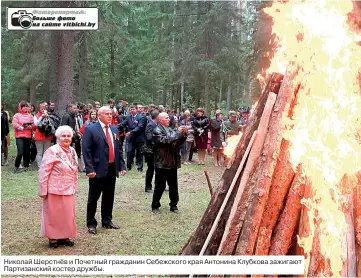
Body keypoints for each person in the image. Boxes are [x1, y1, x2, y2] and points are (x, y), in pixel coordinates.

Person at [82, 106, 127, 234]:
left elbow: (118, 150)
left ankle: (107, 220)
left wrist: (122, 166)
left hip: (111, 168)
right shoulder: (91, 129)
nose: (109, 116)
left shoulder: (114, 129)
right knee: (94, 197)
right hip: (97, 169)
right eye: (106, 114)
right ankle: (91, 223)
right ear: (99, 115)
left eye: (110, 114)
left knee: (109, 196)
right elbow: (86, 151)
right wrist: (89, 169)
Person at [39, 126, 78, 248]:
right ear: (58, 137)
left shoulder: (72, 150)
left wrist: (74, 185)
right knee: (53, 214)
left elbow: (75, 169)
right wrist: (43, 189)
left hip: (69, 188)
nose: (66, 138)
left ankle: (65, 236)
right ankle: (53, 238)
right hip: (54, 189)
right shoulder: (52, 151)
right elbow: (44, 171)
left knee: (67, 214)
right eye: (63, 136)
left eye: (68, 136)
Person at [151, 112, 187, 214]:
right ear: (160, 120)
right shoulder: (156, 130)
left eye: (168, 118)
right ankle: (155, 205)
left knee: (173, 185)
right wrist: (177, 133)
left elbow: (176, 143)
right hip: (162, 162)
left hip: (172, 161)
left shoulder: (170, 129)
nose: (168, 120)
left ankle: (174, 205)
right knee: (160, 185)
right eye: (166, 118)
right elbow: (166, 141)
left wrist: (183, 135)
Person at [117, 105, 146, 172]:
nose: (132, 110)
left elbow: (140, 127)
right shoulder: (128, 117)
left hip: (139, 138)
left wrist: (131, 132)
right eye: (131, 109)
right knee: (129, 151)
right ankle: (128, 167)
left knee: (139, 153)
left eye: (133, 109)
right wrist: (114, 127)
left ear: (136, 110)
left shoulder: (141, 117)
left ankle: (139, 168)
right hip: (131, 138)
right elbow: (122, 124)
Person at [12, 101, 35, 174]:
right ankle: (16, 167)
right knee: (20, 152)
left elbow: (34, 125)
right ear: (20, 107)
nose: (25, 108)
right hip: (19, 136)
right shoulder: (17, 115)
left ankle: (26, 166)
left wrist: (30, 127)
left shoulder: (30, 116)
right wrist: (21, 127)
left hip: (28, 136)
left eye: (26, 106)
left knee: (27, 152)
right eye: (23, 106)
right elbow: (14, 124)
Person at [34, 103, 54, 168]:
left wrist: (48, 118)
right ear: (39, 109)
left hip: (47, 135)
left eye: (45, 108)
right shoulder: (36, 115)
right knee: (39, 151)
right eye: (42, 108)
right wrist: (41, 117)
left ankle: (46, 164)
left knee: (46, 151)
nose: (43, 109)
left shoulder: (49, 115)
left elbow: (52, 124)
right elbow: (36, 124)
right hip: (39, 135)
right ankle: (40, 165)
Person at [144, 109, 159, 193]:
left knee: (156, 168)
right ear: (157, 117)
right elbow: (149, 137)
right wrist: (157, 139)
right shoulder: (151, 124)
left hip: (155, 149)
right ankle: (148, 186)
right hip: (151, 150)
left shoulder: (156, 124)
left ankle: (157, 185)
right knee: (150, 168)